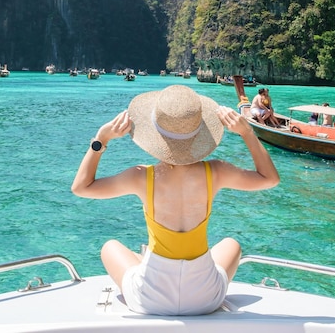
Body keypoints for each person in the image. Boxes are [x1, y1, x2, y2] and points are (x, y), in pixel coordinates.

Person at [71, 85, 280, 316]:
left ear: (154, 135)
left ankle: (151, 262)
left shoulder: (141, 177)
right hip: (205, 299)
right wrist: (248, 133)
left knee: (110, 247)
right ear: (200, 132)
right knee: (232, 245)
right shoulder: (217, 172)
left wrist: (101, 139)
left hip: (150, 299)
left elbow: (82, 187)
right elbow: (269, 179)